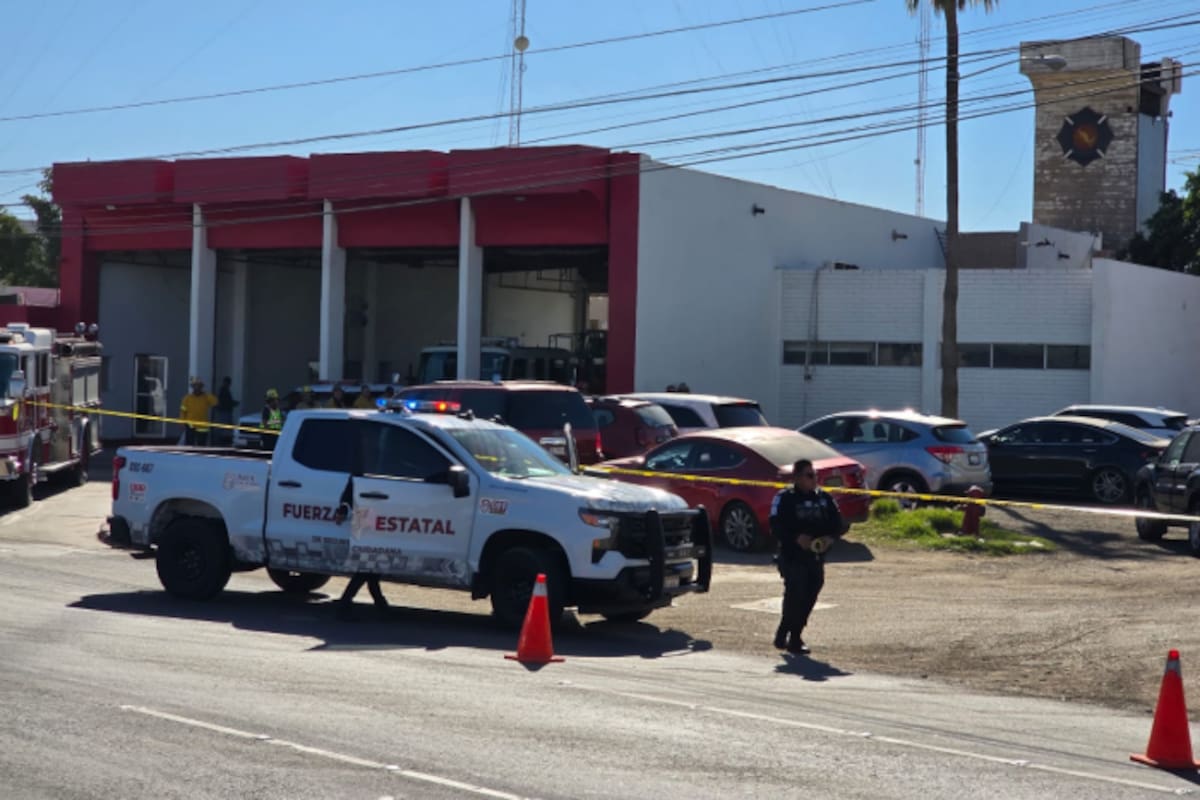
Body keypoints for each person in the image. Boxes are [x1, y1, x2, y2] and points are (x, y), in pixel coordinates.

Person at [769, 458, 846, 655]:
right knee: (795, 593)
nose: (814, 479)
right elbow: (775, 525)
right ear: (797, 477)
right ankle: (792, 636)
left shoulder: (824, 498)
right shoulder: (785, 497)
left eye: (815, 475)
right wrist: (795, 538)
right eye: (809, 475)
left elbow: (838, 523)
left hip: (816, 556)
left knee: (811, 593)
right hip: (792, 555)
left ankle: (790, 631)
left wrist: (830, 538)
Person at [179, 378, 218, 446]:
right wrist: (182, 422)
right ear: (193, 387)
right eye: (195, 386)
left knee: (201, 444)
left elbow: (215, 402)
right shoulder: (187, 398)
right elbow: (183, 411)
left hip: (202, 425)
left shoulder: (206, 397)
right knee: (190, 444)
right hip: (191, 425)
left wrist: (206, 394)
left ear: (201, 387)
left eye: (199, 386)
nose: (197, 388)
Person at [215, 377, 238, 445]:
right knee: (224, 426)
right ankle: (223, 441)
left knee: (226, 425)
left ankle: (224, 439)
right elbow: (224, 401)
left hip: (226, 411)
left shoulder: (225, 390)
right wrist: (232, 403)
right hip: (224, 411)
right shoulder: (223, 390)